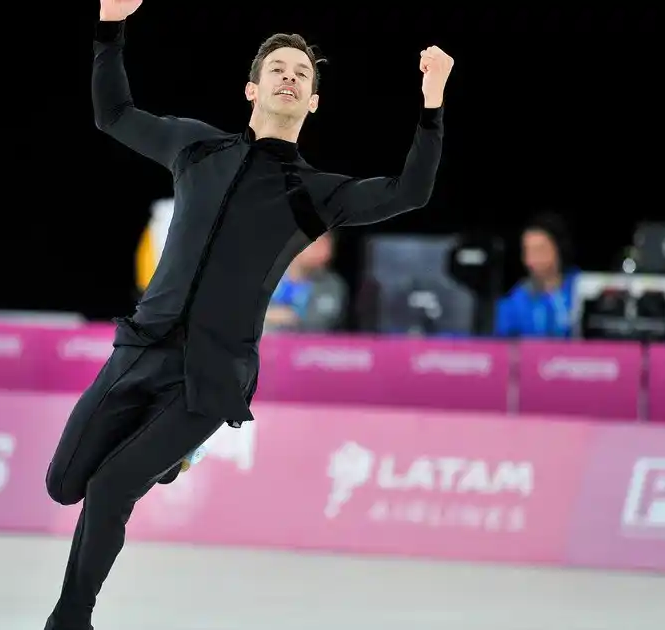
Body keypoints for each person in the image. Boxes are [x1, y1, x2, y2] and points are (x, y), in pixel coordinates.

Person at [43, 1, 452, 626]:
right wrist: (108, 28)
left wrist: (431, 102)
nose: (290, 77)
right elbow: (113, 114)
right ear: (252, 87)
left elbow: (408, 192)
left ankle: (70, 619)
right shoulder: (195, 147)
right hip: (142, 346)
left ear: (313, 102)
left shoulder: (315, 194)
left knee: (108, 489)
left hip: (212, 375)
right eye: (278, 68)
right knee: (64, 485)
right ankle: (174, 462)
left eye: (302, 75)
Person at [494, 213, 580, 338]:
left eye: (539, 249)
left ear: (559, 249)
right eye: (527, 250)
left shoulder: (581, 287)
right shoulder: (516, 298)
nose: (531, 259)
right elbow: (502, 343)